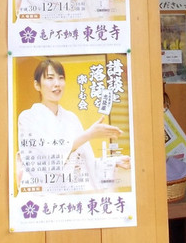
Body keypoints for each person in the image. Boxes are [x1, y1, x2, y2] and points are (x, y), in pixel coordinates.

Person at [16, 58, 130, 193]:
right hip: (43, 197)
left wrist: (112, 163)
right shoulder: (28, 118)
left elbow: (87, 163)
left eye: (61, 78)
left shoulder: (71, 118)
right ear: (37, 85)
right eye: (50, 78)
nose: (57, 84)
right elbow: (49, 158)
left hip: (73, 196)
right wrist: (88, 135)